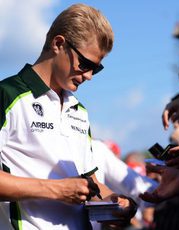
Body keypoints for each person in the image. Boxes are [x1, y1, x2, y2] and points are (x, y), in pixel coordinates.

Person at [0, 4, 137, 230]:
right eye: (85, 64)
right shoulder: (7, 95)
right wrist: (56, 189)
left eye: (97, 69)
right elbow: (65, 187)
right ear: (58, 44)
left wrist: (117, 202)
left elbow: (90, 183)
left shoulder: (79, 110)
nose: (90, 76)